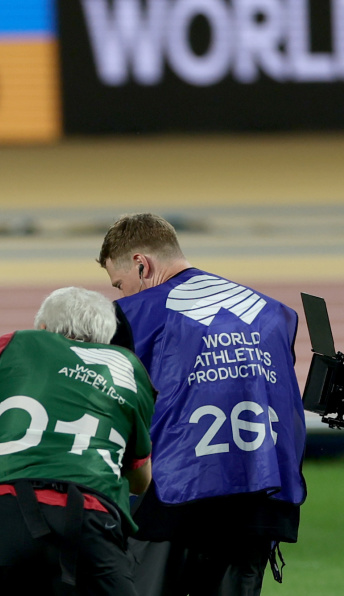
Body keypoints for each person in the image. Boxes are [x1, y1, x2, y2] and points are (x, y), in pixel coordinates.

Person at [96, 213, 307, 595]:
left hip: (173, 499)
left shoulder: (132, 314)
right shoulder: (274, 313)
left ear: (142, 265)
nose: (122, 294)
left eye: (121, 284)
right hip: (262, 498)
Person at [0, 286, 155, 595]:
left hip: (1, 511)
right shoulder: (128, 367)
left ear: (45, 328)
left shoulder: (9, 346)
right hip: (90, 515)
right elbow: (141, 481)